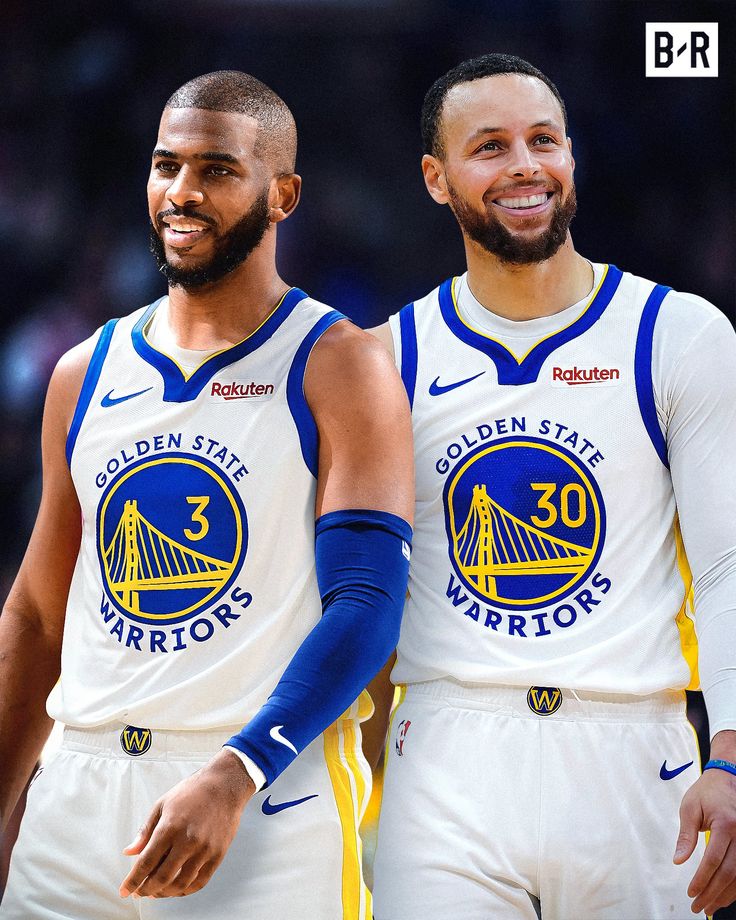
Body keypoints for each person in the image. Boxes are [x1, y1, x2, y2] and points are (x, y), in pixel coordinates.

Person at [0, 70, 413, 920]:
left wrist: (237, 773)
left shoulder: (341, 363)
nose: (182, 192)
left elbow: (368, 602)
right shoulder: (84, 373)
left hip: (257, 796)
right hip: (76, 795)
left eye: (217, 170)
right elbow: (39, 620)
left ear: (283, 193)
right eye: (166, 165)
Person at [369, 53, 736, 920]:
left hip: (636, 750)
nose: (525, 166)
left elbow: (726, 569)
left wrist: (729, 755)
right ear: (436, 177)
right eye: (489, 147)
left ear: (572, 155)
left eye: (543, 141)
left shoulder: (677, 334)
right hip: (446, 755)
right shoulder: (386, 358)